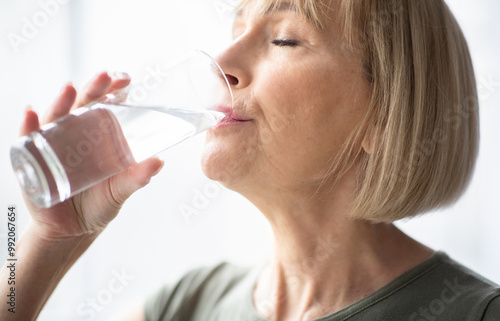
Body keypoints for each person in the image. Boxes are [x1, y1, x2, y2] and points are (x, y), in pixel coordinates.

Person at [2, 0, 499, 320]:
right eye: (236, 28)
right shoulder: (187, 304)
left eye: (284, 38)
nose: (223, 64)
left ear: (385, 116)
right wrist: (50, 243)